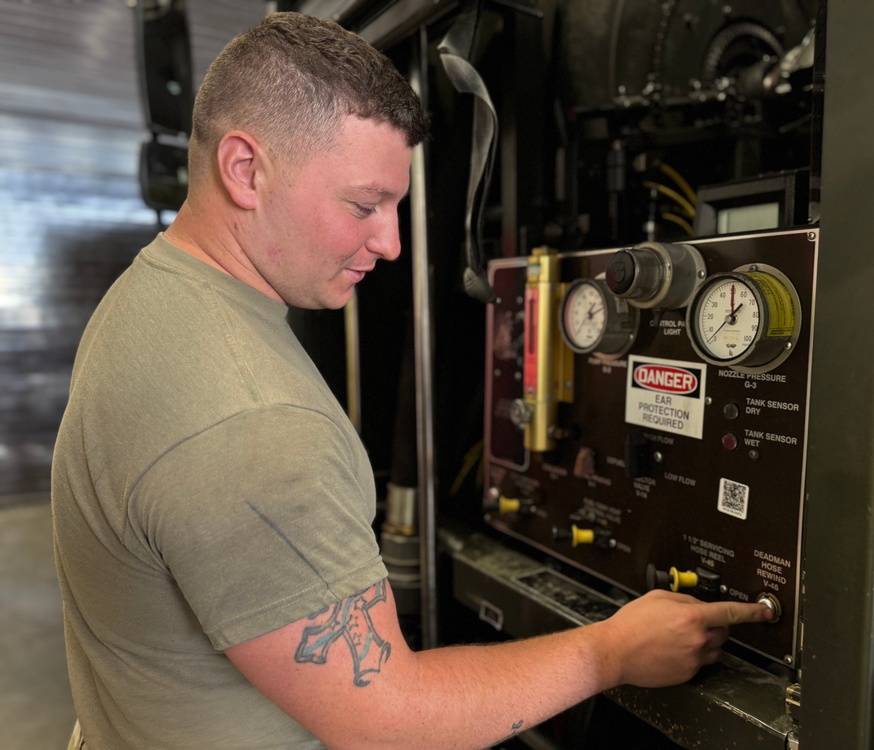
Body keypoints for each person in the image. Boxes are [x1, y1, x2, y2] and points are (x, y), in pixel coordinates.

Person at [51, 12, 772, 750]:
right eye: (363, 205)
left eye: (396, 206)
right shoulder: (255, 421)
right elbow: (386, 720)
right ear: (245, 169)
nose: (391, 243)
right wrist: (612, 651)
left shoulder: (154, 293)